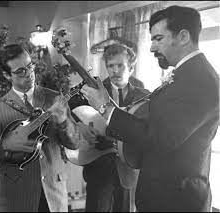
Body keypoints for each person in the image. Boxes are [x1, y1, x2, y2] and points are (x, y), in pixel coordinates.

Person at [81, 5, 219, 212]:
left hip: (176, 201)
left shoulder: (199, 79)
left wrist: (106, 107)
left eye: (158, 39)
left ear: (183, 37)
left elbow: (161, 138)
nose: (152, 47)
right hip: (162, 196)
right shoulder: (185, 74)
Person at [0, 44, 83, 212]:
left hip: (53, 195)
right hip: (16, 197)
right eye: (20, 71)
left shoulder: (54, 98)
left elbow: (75, 143)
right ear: (6, 75)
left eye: (30, 66)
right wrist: (7, 144)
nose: (29, 74)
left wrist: (63, 121)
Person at [78, 41, 150, 212]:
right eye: (110, 66)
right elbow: (69, 112)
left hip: (129, 169)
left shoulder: (146, 97)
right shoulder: (92, 91)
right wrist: (80, 125)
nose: (115, 70)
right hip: (98, 166)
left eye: (120, 65)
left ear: (131, 68)